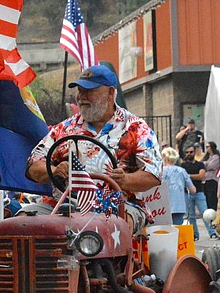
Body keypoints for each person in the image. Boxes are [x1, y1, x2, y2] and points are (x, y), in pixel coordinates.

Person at [26, 65, 161, 206]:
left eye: (89, 91)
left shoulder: (136, 128)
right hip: (64, 206)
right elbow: (32, 166)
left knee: (115, 225)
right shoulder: (64, 129)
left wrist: (125, 180)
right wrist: (54, 170)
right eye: (80, 91)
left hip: (120, 206)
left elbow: (154, 175)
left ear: (110, 92)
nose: (81, 97)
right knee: (20, 222)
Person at [180, 144, 216, 240]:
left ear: (194, 152)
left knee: (206, 214)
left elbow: (201, 176)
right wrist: (191, 176)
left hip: (199, 192)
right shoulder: (183, 165)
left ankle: (212, 232)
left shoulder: (200, 164)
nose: (189, 154)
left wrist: (187, 176)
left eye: (191, 152)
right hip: (187, 193)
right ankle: (195, 234)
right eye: (187, 152)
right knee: (191, 216)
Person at [160, 148, 192, 226]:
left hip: (164, 206)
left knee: (166, 230)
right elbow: (192, 189)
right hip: (179, 205)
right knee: (177, 228)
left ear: (165, 158)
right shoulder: (182, 171)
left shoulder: (161, 171)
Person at [202, 141, 220, 211]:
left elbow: (211, 166)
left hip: (213, 179)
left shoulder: (216, 157)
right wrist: (206, 163)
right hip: (206, 180)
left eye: (208, 147)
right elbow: (200, 164)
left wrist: (205, 164)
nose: (206, 148)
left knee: (211, 197)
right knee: (207, 198)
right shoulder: (206, 157)